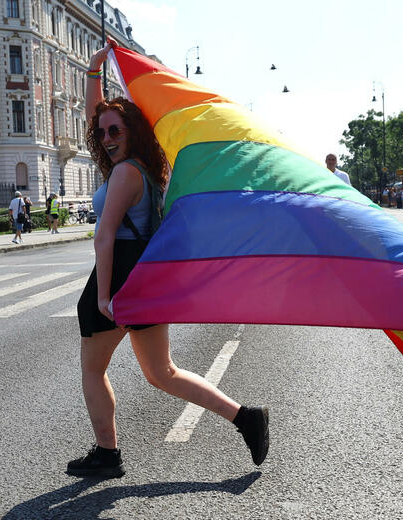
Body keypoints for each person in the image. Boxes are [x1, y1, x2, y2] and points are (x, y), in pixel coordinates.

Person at [67, 41, 269, 479]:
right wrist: (92, 76)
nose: (105, 138)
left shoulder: (123, 174)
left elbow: (104, 237)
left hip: (118, 273)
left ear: (132, 132)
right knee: (162, 372)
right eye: (102, 133)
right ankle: (246, 418)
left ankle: (107, 453)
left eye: (115, 131)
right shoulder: (147, 171)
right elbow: (94, 120)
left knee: (93, 367)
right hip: (144, 274)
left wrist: (103, 296)